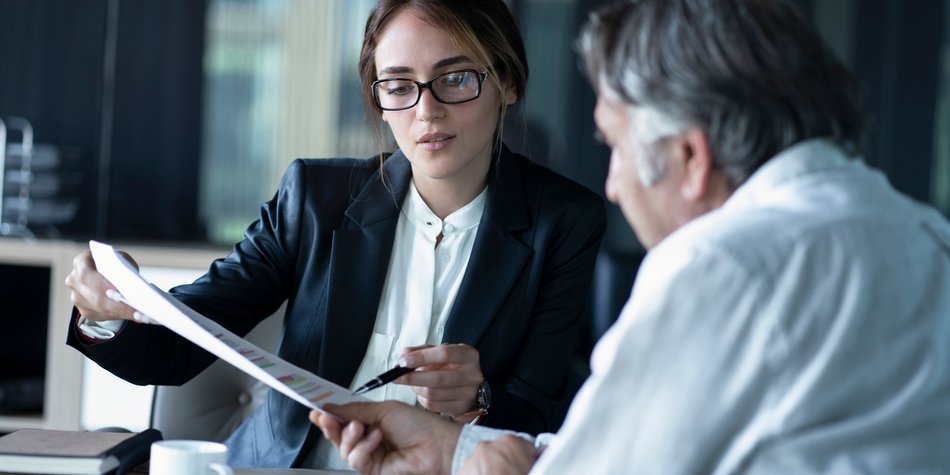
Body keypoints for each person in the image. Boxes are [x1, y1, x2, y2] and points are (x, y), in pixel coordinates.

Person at [310, 0, 950, 473]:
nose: (612, 186)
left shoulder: (723, 265)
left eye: (615, 146)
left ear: (691, 157)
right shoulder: (920, 233)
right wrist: (454, 451)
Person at [65, 0, 606, 469]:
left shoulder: (563, 221)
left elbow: (545, 418)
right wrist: (106, 310)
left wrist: (479, 399)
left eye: (457, 78)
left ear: (508, 83)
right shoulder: (314, 198)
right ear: (379, 99)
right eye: (399, 86)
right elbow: (175, 349)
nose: (427, 110)